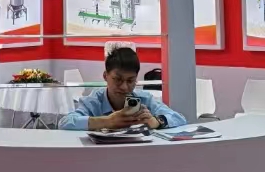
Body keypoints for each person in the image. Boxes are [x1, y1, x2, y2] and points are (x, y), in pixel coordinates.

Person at [59, 47, 188, 131]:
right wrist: (107, 121)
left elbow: (179, 118)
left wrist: (155, 121)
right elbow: (65, 123)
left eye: (130, 81)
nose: (124, 87)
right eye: (118, 79)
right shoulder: (94, 101)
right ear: (105, 76)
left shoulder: (144, 99)